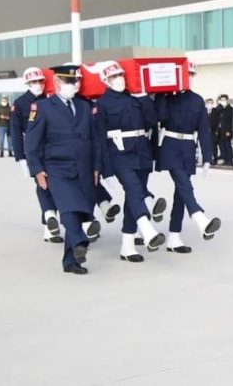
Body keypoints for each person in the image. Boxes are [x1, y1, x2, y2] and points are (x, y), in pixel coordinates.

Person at [25, 65, 101, 275]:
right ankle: (80, 240)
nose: (73, 85)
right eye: (69, 82)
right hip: (56, 168)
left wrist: (97, 167)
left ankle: (71, 262)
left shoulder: (84, 107)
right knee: (68, 207)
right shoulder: (43, 107)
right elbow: (31, 142)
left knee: (77, 212)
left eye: (75, 81)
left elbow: (94, 139)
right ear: (57, 83)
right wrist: (37, 170)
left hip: (84, 168)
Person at [95, 61, 167, 261]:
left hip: (141, 153)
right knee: (135, 190)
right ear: (106, 81)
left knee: (132, 198)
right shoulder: (101, 104)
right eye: (114, 77)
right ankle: (147, 230)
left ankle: (127, 246)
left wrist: (143, 98)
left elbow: (152, 120)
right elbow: (100, 139)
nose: (119, 80)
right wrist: (106, 171)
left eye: (121, 76)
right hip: (118, 154)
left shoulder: (134, 98)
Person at [155, 67, 222, 253]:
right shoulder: (168, 97)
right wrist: (162, 93)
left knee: (180, 194)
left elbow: (203, 129)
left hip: (187, 148)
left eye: (192, 75)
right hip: (170, 145)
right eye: (187, 74)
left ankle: (174, 237)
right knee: (184, 185)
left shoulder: (197, 99)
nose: (190, 78)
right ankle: (200, 218)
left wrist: (207, 157)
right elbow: (160, 117)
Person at [10, 68, 62, 244]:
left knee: (56, 186)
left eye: (40, 81)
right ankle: (49, 225)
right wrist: (21, 158)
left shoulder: (50, 98)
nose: (38, 85)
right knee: (43, 185)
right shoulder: (20, 104)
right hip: (34, 150)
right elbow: (15, 132)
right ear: (27, 83)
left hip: (53, 148)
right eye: (34, 82)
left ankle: (50, 225)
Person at [216, 95, 233, 166]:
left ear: (227, 100)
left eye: (224, 100)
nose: (223, 101)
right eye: (221, 100)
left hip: (227, 131)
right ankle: (225, 159)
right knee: (222, 146)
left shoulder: (230, 109)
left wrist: (229, 131)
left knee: (227, 145)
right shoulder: (220, 109)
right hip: (220, 130)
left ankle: (230, 160)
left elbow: (231, 121)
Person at [207, 97, 221, 165]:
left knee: (214, 146)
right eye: (209, 103)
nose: (210, 104)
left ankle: (215, 159)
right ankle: (208, 159)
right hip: (205, 132)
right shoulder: (204, 111)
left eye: (211, 103)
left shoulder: (216, 110)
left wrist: (216, 130)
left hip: (213, 131)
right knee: (207, 147)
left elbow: (217, 121)